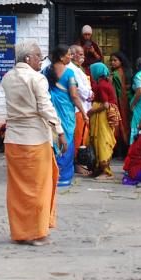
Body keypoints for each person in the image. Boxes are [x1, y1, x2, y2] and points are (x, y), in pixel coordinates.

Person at [1, 41, 65, 246]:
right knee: (38, 188)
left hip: (13, 139)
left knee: (18, 189)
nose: (41, 61)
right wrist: (60, 131)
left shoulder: (7, 78)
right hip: (34, 139)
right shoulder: (37, 79)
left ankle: (21, 231)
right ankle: (37, 233)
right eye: (39, 56)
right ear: (28, 59)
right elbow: (45, 108)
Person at [44, 46, 84, 188]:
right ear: (61, 57)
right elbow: (74, 95)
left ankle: (50, 175)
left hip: (50, 112)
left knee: (52, 141)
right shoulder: (69, 73)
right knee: (66, 139)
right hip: (66, 114)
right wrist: (84, 112)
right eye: (68, 55)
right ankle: (63, 177)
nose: (71, 57)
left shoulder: (45, 71)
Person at [86, 61, 119, 177]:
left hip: (103, 117)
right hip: (103, 116)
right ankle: (99, 169)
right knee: (99, 141)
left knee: (102, 142)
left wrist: (91, 111)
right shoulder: (105, 83)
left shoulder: (102, 85)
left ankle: (105, 171)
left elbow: (105, 105)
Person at [67, 44, 92, 154]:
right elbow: (80, 88)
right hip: (79, 108)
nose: (83, 57)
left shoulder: (77, 68)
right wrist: (90, 94)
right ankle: (78, 161)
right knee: (79, 136)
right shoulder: (72, 69)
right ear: (72, 55)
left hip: (82, 107)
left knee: (81, 135)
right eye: (80, 54)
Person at [108, 52, 132, 151]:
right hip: (126, 102)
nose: (112, 62)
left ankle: (119, 149)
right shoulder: (125, 71)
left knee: (118, 124)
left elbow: (115, 90)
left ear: (121, 61)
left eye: (115, 60)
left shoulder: (116, 74)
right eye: (111, 61)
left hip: (120, 102)